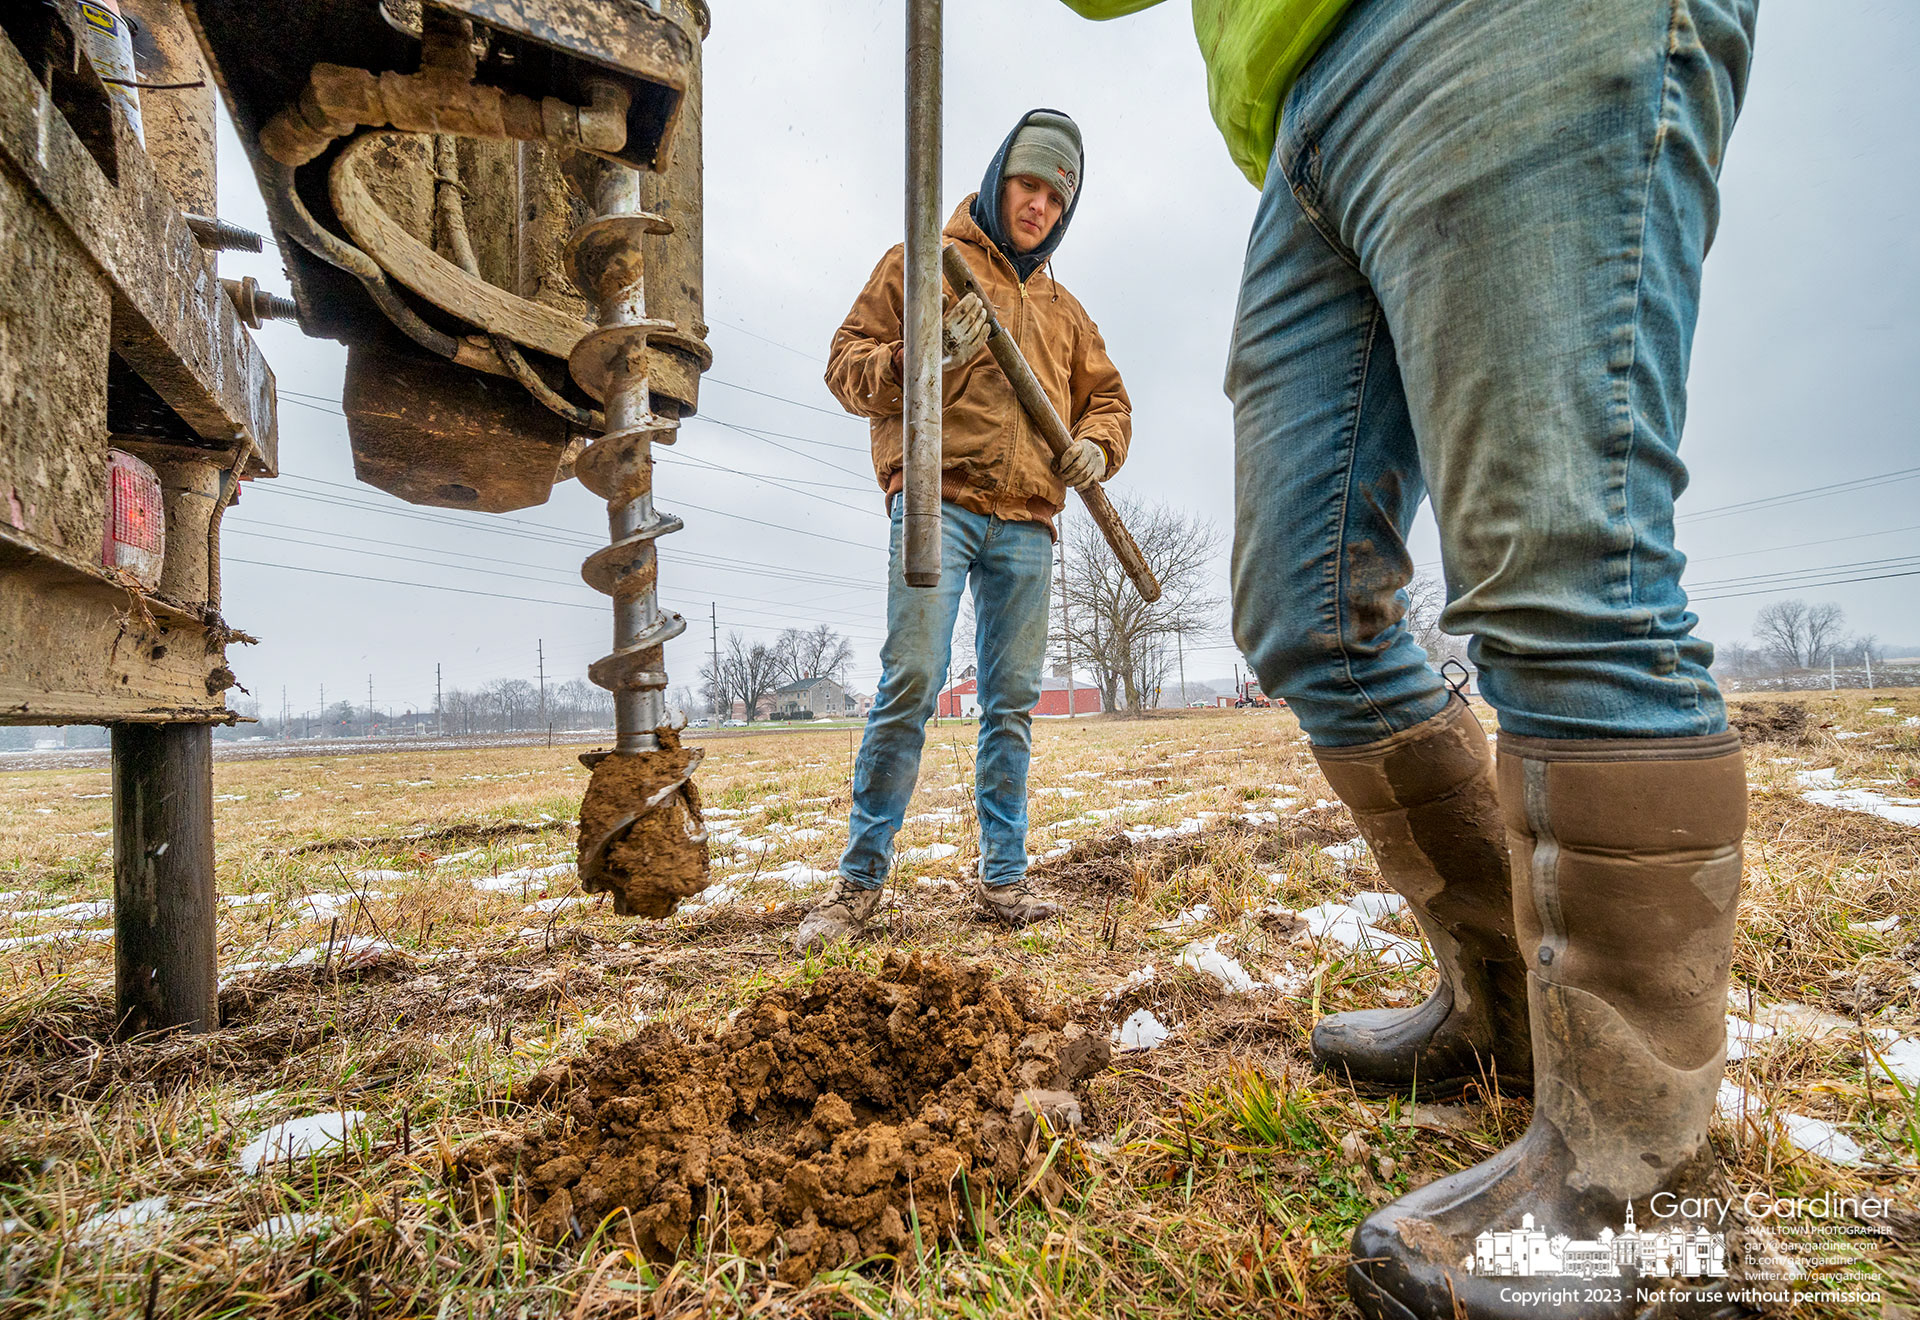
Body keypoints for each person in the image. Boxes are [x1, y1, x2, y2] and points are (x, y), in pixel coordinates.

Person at [1061, 2, 1756, 1317]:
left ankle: (1633, 1182)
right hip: (1299, 123)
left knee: (1565, 560)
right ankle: (1499, 996)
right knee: (1306, 616)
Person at [797, 110, 1132, 952]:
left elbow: (1110, 399)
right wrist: (924, 355)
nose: (1040, 208)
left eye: (1058, 198)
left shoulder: (1066, 311)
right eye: (1029, 186)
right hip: (935, 503)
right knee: (911, 679)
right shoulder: (921, 264)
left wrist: (1096, 444)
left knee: (1011, 703)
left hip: (1027, 523)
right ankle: (859, 882)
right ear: (996, 178)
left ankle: (1004, 879)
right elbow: (845, 364)